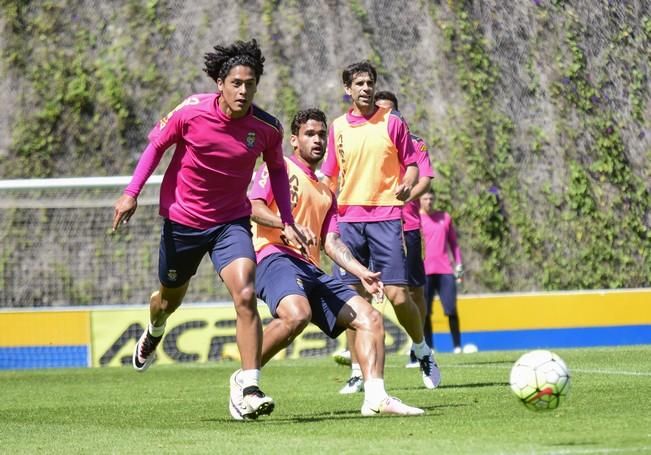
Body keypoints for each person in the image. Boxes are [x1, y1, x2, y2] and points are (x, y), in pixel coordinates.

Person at [112, 39, 309, 420]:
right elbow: (155, 147)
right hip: (183, 223)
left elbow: (280, 172)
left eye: (250, 84)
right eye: (236, 83)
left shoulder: (267, 128)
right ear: (221, 83)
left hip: (230, 223)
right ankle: (154, 329)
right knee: (168, 301)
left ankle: (247, 386)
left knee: (246, 292)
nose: (243, 91)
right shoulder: (190, 111)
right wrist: (130, 193)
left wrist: (286, 218)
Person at [228, 108, 424, 419]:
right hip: (273, 256)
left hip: (310, 268)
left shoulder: (325, 191)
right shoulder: (279, 169)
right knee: (297, 313)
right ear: (294, 140)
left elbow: (331, 242)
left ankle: (376, 397)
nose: (318, 140)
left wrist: (363, 272)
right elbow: (252, 206)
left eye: (322, 134)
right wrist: (285, 225)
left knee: (369, 318)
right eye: (310, 134)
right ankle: (244, 380)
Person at [321, 61, 441, 393]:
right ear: (347, 89)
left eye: (369, 82)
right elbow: (330, 175)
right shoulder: (338, 127)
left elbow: (413, 165)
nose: (365, 88)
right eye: (358, 83)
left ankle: (421, 349)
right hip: (348, 220)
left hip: (386, 218)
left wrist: (406, 184)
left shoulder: (393, 123)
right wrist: (323, 211)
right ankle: (358, 371)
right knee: (351, 298)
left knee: (398, 295)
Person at [419, 189, 465, 353]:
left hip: (445, 270)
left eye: (431, 198)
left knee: (451, 308)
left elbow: (454, 243)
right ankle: (430, 347)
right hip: (424, 271)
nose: (429, 201)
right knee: (425, 312)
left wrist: (458, 264)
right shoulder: (416, 219)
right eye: (425, 198)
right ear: (420, 200)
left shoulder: (445, 218)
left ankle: (457, 346)